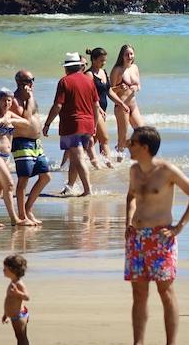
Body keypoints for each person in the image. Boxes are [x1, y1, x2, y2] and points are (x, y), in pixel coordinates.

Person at [117, 126, 189, 345]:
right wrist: (128, 223)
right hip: (137, 237)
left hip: (160, 237)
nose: (128, 146)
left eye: (132, 143)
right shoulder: (134, 170)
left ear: (144, 147)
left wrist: (179, 228)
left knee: (165, 291)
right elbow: (131, 197)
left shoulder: (166, 171)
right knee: (138, 292)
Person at [42, 52, 98, 196]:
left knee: (78, 157)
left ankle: (87, 190)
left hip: (73, 124)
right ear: (79, 67)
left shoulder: (64, 82)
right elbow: (95, 105)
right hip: (88, 123)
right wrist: (95, 125)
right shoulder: (89, 80)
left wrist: (47, 123)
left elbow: (58, 105)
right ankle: (70, 186)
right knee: (75, 157)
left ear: (67, 68)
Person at [0, 89, 35, 228]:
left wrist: (10, 119)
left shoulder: (10, 115)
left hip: (5, 157)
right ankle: (14, 219)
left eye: (9, 100)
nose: (7, 103)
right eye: (4, 100)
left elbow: (27, 123)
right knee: (9, 185)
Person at [11, 70, 54, 224]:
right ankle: (22, 215)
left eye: (33, 80)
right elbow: (26, 120)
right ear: (20, 83)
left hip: (36, 143)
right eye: (29, 81)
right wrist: (29, 98)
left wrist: (30, 97)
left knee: (46, 176)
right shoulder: (15, 100)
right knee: (23, 180)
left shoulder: (30, 97)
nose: (32, 84)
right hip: (22, 142)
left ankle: (28, 208)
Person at [86, 48, 121, 164]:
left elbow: (109, 91)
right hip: (93, 111)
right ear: (94, 60)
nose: (104, 63)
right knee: (105, 138)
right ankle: (109, 164)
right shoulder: (89, 75)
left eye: (105, 60)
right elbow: (88, 96)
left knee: (94, 140)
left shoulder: (103, 72)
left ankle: (77, 159)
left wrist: (121, 103)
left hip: (102, 111)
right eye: (101, 60)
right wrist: (99, 109)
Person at [109, 45, 145, 155]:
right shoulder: (117, 70)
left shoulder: (135, 67)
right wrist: (119, 88)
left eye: (131, 54)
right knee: (122, 136)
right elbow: (110, 91)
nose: (129, 56)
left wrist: (136, 87)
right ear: (122, 56)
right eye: (126, 54)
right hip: (121, 106)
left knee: (143, 132)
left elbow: (139, 85)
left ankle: (123, 147)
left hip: (133, 105)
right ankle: (119, 160)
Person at [1, 254, 31, 345]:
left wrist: (18, 293)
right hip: (13, 316)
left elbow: (27, 297)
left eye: (5, 268)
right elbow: (9, 301)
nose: (3, 270)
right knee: (18, 336)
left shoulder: (19, 284)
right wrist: (6, 314)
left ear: (12, 270)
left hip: (20, 316)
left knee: (22, 337)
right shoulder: (12, 283)